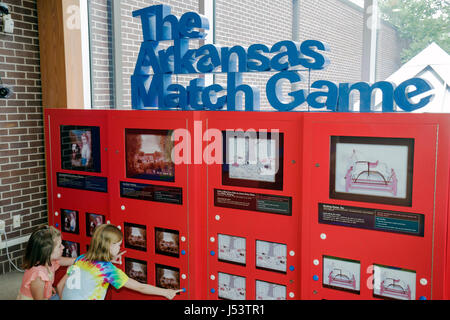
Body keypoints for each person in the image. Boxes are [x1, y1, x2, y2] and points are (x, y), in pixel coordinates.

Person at [59, 224, 182, 300]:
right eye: (118, 245)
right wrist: (166, 292)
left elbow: (60, 285)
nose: (120, 248)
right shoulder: (107, 270)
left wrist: (109, 259)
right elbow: (140, 286)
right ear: (110, 246)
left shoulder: (81, 258)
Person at [17, 226, 76, 300]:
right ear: (47, 252)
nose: (63, 247)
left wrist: (80, 259)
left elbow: (62, 260)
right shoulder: (38, 275)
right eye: (59, 246)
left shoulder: (49, 260)